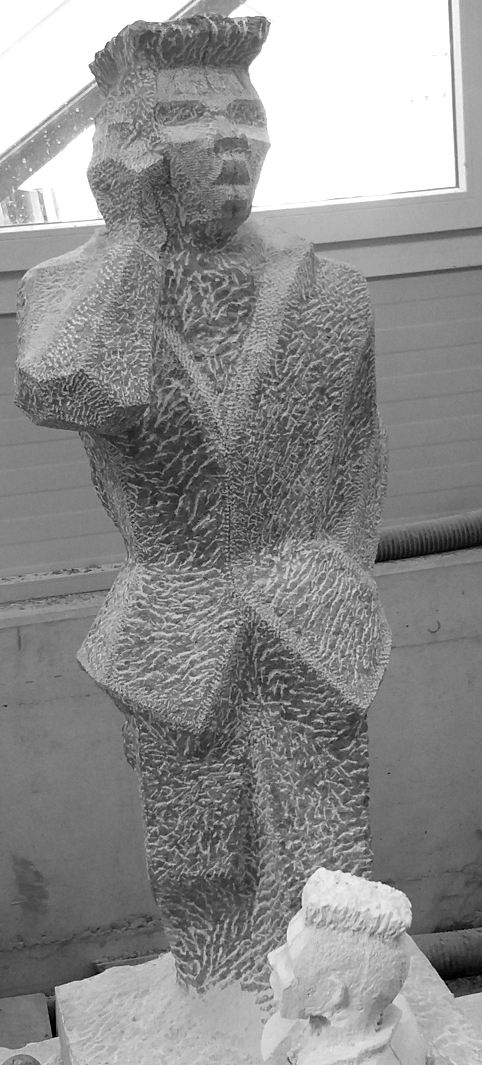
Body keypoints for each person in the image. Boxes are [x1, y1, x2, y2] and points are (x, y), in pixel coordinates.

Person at [16, 15, 390, 1002]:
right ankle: (223, 1011)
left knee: (331, 855)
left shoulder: (333, 291)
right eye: (185, 116)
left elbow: (359, 464)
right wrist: (135, 233)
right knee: (200, 854)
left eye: (244, 118)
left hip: (309, 607)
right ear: (127, 150)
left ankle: (331, 1011)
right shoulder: (75, 290)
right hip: (174, 614)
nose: (229, 141)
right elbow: (70, 389)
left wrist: (339, 575)